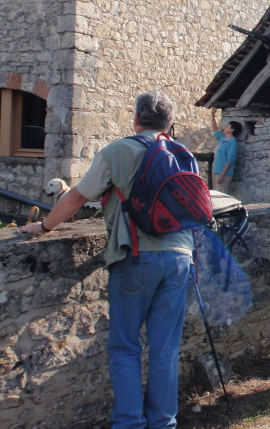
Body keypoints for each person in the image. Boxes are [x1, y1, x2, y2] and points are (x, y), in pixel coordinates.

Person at [20, 91, 193, 428]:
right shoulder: (183, 153)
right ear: (169, 124)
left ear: (136, 118)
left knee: (126, 346)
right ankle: (163, 422)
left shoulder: (118, 151)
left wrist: (44, 225)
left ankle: (129, 422)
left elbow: (77, 198)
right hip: (181, 256)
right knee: (165, 349)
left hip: (137, 255)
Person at [210, 107, 242, 189]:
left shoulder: (232, 142)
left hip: (223, 173)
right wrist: (213, 115)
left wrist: (222, 174)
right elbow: (215, 130)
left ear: (232, 130)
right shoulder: (223, 138)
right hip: (216, 170)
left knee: (221, 196)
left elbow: (231, 159)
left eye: (228, 126)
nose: (225, 127)